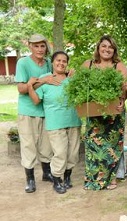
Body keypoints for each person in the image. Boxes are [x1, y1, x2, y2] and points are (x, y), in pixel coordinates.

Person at [27, 51, 82, 194]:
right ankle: (57, 180)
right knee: (60, 153)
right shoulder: (45, 79)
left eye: (64, 61)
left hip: (73, 121)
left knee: (73, 154)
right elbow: (36, 100)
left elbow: (83, 95)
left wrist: (78, 78)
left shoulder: (72, 79)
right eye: (58, 60)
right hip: (55, 124)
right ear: (52, 62)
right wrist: (29, 87)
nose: (61, 63)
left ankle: (68, 178)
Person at [82, 35, 127, 190]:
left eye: (110, 47)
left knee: (112, 146)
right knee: (93, 146)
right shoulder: (88, 65)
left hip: (113, 113)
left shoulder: (119, 66)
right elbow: (80, 86)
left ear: (114, 50)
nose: (107, 49)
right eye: (104, 46)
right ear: (98, 48)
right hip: (94, 113)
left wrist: (123, 98)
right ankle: (93, 178)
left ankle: (112, 178)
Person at [15, 34, 59, 193]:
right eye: (36, 46)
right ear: (30, 47)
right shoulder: (23, 63)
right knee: (28, 144)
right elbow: (21, 89)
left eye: (42, 46)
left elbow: (55, 79)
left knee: (47, 144)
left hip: (46, 110)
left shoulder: (48, 63)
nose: (40, 49)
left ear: (46, 47)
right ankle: (30, 178)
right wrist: (42, 81)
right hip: (28, 111)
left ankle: (47, 173)